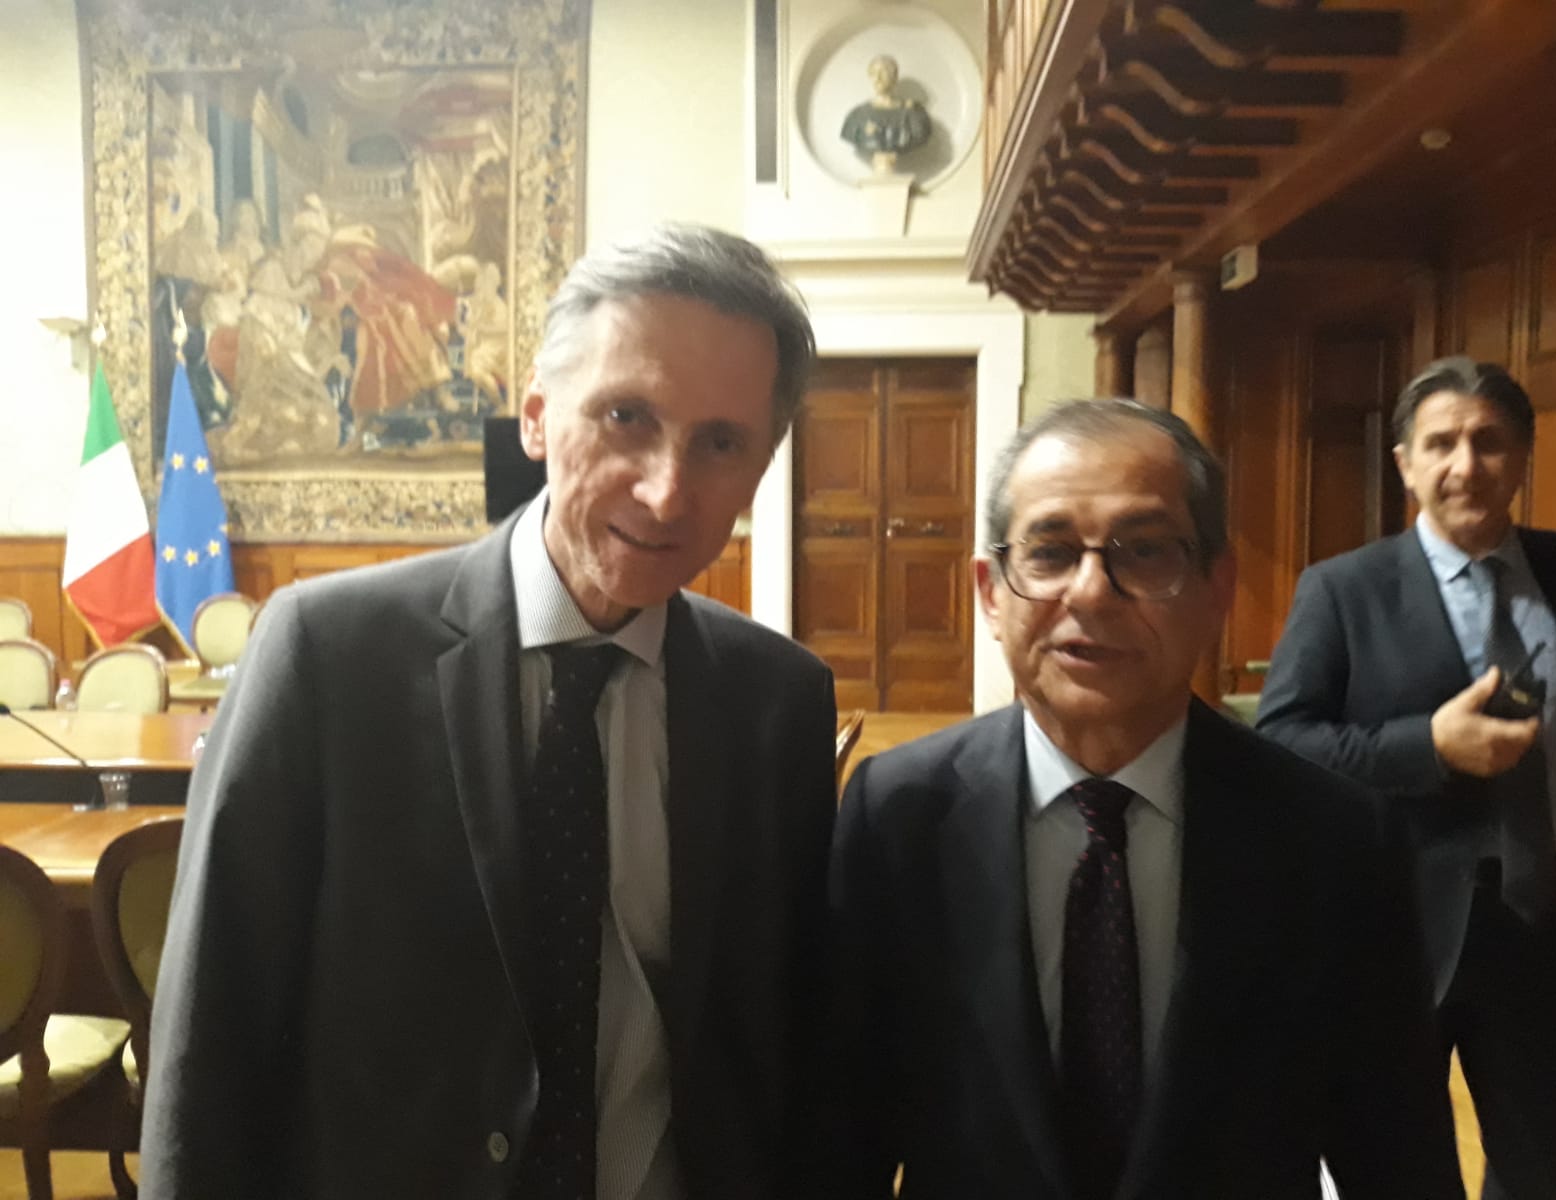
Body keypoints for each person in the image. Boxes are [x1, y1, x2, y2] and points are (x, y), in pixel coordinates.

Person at [141, 224, 840, 1200]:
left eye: (721, 443)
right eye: (627, 416)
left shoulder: (778, 702)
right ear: (537, 417)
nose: (666, 490)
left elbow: (789, 1041)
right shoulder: (326, 656)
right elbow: (216, 1027)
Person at [823, 399, 1462, 1199]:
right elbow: (842, 1134)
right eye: (1050, 552)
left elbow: (1399, 1156)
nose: (1092, 592)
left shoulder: (1334, 839)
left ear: (1217, 588)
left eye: (1147, 550)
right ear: (990, 593)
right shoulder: (897, 814)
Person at [1257, 356, 1556, 1200]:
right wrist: (1429, 747)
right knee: (1394, 1164)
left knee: (1543, 1165)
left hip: (1552, 926)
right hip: (1398, 928)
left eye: (1489, 442)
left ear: (1522, 455)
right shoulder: (1343, 590)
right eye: (1441, 443)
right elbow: (1284, 742)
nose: (1465, 465)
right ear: (1405, 464)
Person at [839, 54, 932, 173]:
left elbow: (919, 134)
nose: (878, 78)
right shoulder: (857, 115)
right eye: (874, 73)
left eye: (883, 72)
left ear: (894, 76)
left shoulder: (913, 113)